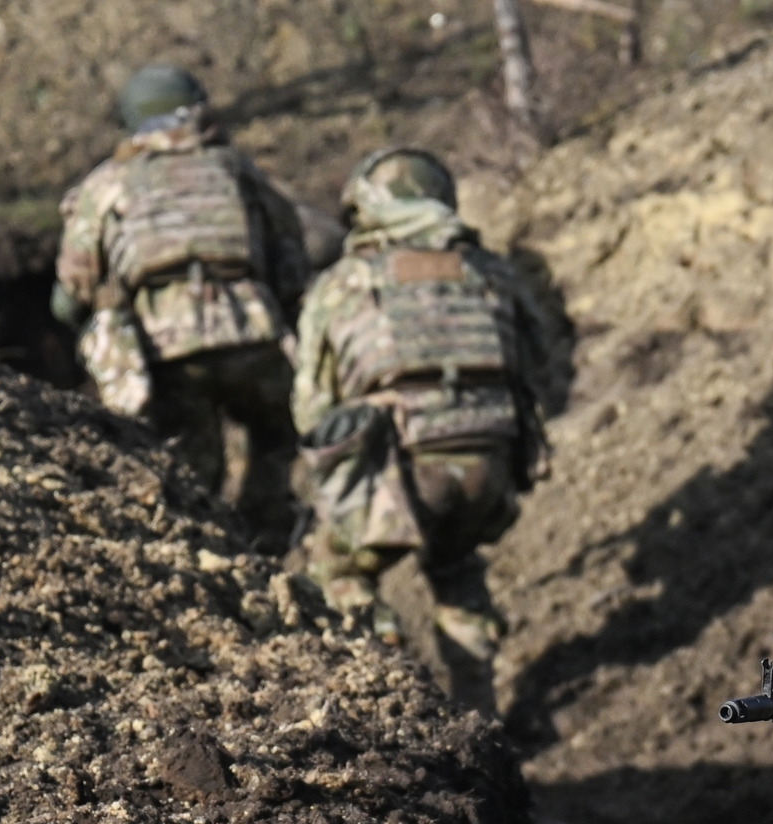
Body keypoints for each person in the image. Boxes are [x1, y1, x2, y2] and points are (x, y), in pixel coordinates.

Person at [290, 147, 553, 680]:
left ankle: (389, 687)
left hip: (400, 469)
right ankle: (482, 715)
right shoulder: (494, 274)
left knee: (335, 571)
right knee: (456, 569)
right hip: (490, 466)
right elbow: (540, 370)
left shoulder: (343, 283)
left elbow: (311, 412)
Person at [53, 64, 309, 551]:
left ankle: (203, 552)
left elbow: (70, 294)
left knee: (189, 465)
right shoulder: (236, 169)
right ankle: (266, 529)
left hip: (162, 348)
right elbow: (291, 264)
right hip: (251, 332)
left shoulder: (107, 185)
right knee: (278, 430)